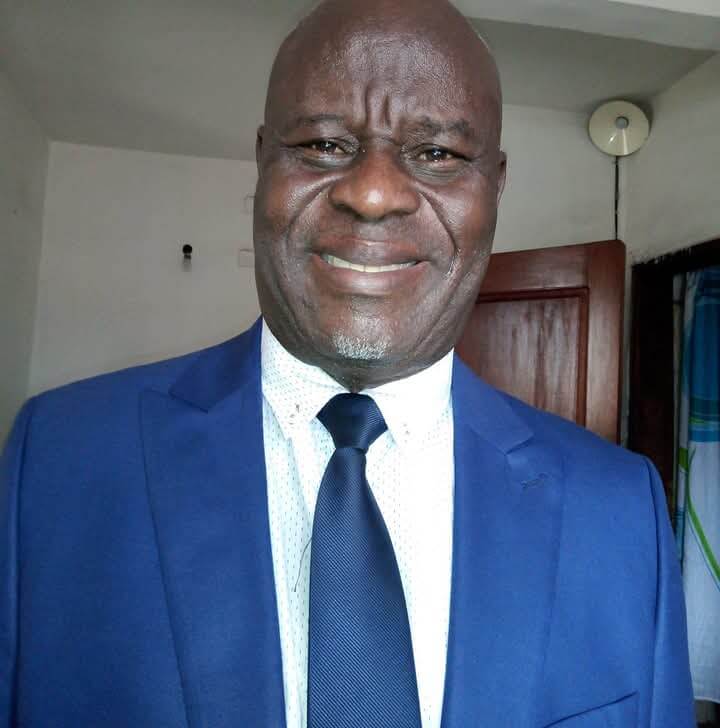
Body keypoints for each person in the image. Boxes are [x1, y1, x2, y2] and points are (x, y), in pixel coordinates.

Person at [0, 0, 694, 726]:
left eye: (438, 154)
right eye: (323, 144)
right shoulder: (61, 460)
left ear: (495, 186)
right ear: (263, 160)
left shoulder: (618, 511)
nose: (372, 194)